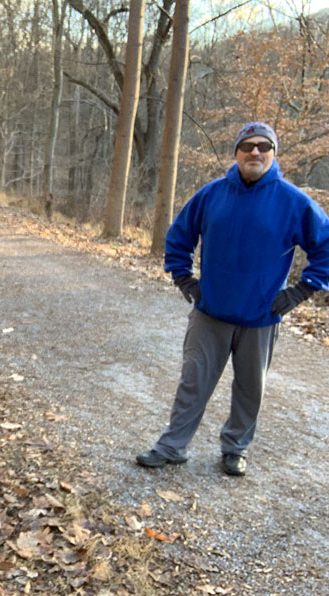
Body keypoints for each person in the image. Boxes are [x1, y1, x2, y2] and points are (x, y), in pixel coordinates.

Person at [137, 121, 329, 476]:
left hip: (261, 317)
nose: (255, 152)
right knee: (193, 382)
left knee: (250, 389)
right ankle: (173, 446)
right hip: (210, 312)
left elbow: (325, 247)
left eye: (263, 146)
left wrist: (301, 291)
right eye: (247, 145)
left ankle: (235, 448)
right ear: (237, 152)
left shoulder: (293, 201)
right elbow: (178, 237)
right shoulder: (212, 194)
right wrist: (184, 278)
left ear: (273, 153)